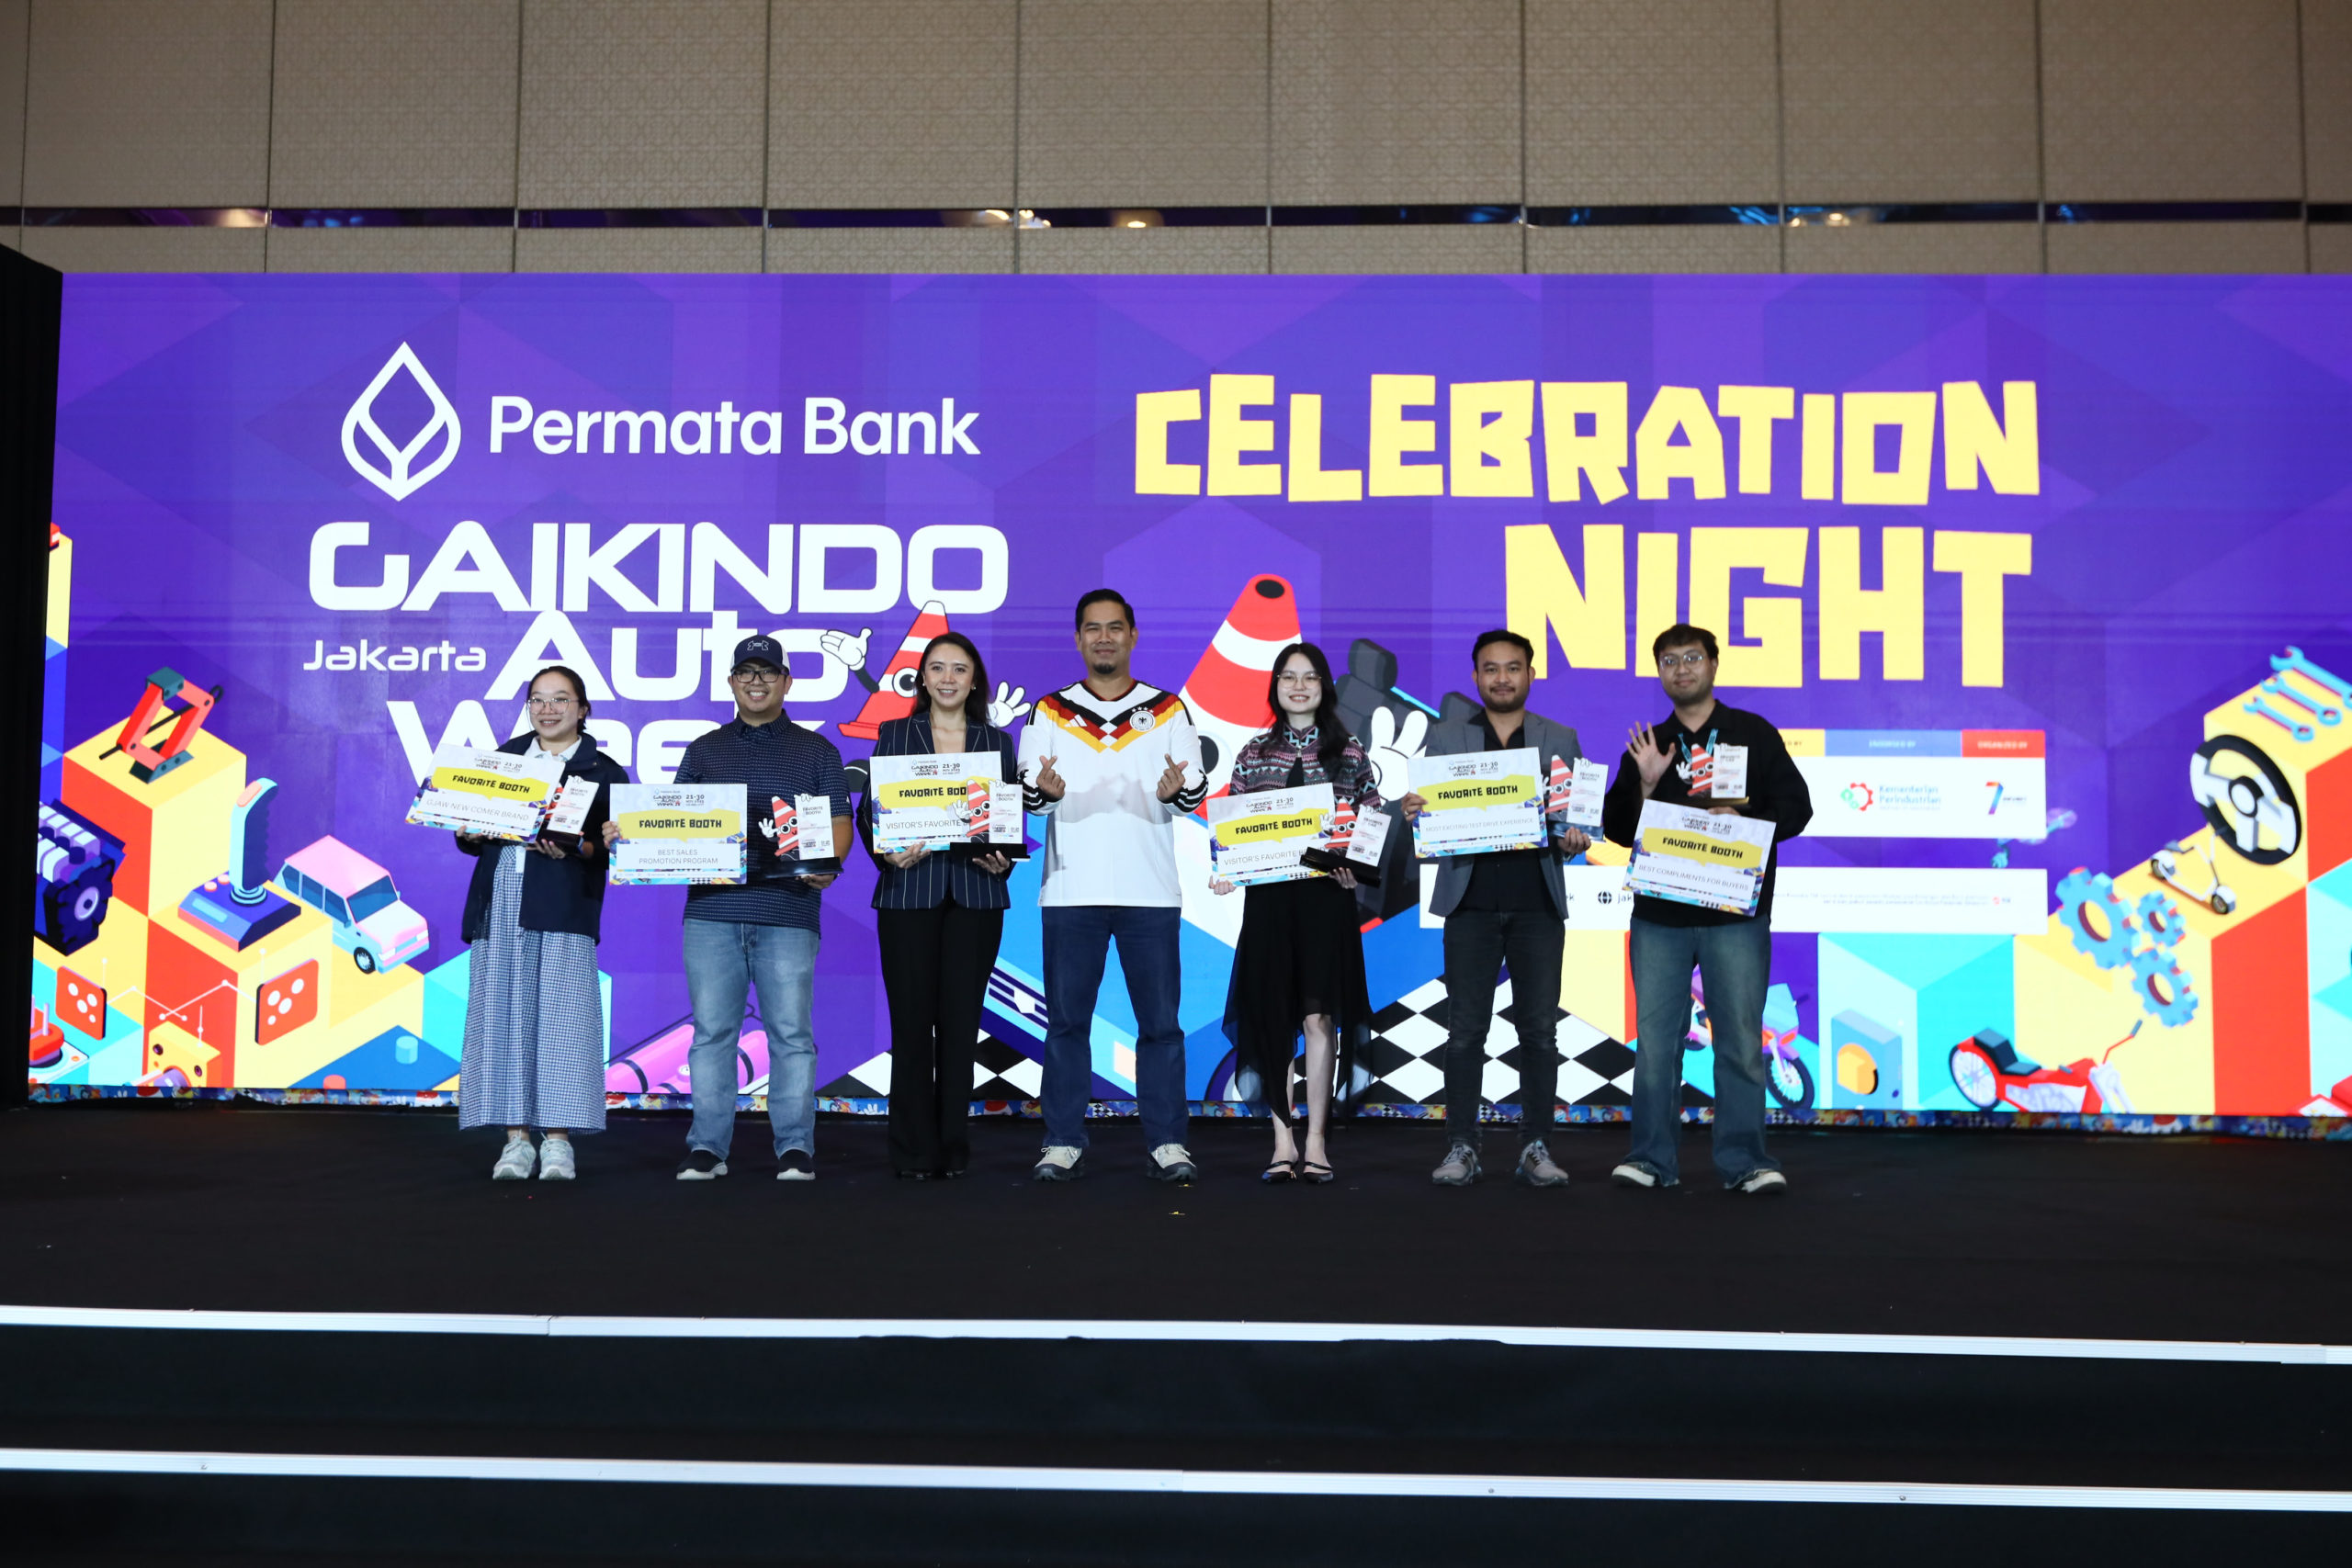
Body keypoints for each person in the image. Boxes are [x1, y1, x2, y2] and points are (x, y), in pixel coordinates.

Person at [621, 635, 853, 1182]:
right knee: (711, 1035)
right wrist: (632, 837)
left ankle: (795, 1148)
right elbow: (672, 822)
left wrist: (830, 863)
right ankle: (707, 1147)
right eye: (746, 672)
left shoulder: (817, 751)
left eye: (767, 672)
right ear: (730, 682)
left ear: (786, 681)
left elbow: (838, 822)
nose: (756, 682)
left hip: (789, 911)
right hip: (712, 913)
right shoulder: (704, 750)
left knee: (791, 1036)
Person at [1600, 624, 1812, 1197]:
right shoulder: (1650, 743)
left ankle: (1745, 1162)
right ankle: (1651, 1159)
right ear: (1659, 672)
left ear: (1714, 665)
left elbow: (1798, 808)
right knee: (1656, 1045)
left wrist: (1749, 821)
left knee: (1740, 1042)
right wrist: (1645, 787)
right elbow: (1616, 827)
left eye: (1692, 658)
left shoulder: (1753, 733)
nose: (1682, 669)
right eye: (1669, 661)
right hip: (1660, 917)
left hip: (1735, 916)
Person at [1019, 589, 1207, 1183]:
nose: (1104, 637)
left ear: (1133, 635)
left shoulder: (1169, 709)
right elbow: (1030, 798)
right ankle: (1062, 1141)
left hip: (1150, 893)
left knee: (1161, 1027)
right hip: (1069, 892)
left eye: (1115, 627)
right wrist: (1043, 793)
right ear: (1078, 639)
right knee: (1066, 1024)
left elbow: (1193, 794)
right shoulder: (1049, 711)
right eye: (1093, 628)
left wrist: (1176, 789)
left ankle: (1168, 1142)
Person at [1398, 630, 1590, 1189]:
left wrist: (1576, 838)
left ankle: (1536, 1146)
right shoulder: (1446, 736)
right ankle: (1462, 1145)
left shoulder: (1561, 737)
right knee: (1464, 1033)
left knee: (1540, 1034)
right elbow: (1431, 817)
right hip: (1470, 904)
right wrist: (1415, 813)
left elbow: (1573, 822)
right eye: (1490, 669)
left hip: (1537, 905)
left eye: (1512, 667)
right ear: (1476, 677)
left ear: (1530, 674)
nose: (1502, 678)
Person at [1210, 642, 1381, 1184]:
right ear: (1276, 685)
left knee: (1319, 1017)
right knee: (1273, 1017)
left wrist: (1357, 867)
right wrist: (1225, 867)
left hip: (1326, 902)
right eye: (1289, 676)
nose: (1299, 686)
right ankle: (1282, 1142)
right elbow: (1234, 826)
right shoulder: (1253, 752)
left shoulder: (1349, 753)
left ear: (1324, 686)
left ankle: (1316, 1142)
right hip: (1270, 904)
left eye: (1309, 677)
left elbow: (1371, 821)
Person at [457, 665, 631, 1180]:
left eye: (560, 699)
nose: (548, 709)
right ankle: (516, 1141)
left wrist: (581, 846)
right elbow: (470, 835)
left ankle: (558, 1142)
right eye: (537, 699)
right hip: (501, 901)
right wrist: (466, 829)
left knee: (563, 1023)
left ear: (582, 708)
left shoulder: (603, 771)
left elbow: (614, 850)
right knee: (504, 1018)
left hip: (563, 903)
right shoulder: (502, 760)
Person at [860, 632, 1018, 1179]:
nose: (948, 678)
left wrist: (1004, 860)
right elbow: (870, 811)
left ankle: (953, 1147)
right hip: (909, 893)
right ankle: (912, 1151)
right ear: (922, 679)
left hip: (976, 896)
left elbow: (1007, 818)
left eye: (959, 668)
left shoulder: (997, 742)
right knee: (910, 1026)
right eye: (937, 668)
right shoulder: (895, 734)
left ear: (974, 681)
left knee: (960, 1025)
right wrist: (887, 853)